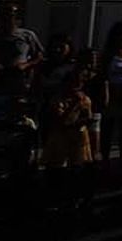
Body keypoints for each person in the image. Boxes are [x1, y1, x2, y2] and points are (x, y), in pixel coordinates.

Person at [42, 65, 96, 213]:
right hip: (60, 140)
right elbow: (61, 122)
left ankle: (73, 200)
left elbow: (88, 117)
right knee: (57, 171)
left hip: (78, 139)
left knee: (76, 171)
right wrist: (74, 105)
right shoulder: (58, 100)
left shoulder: (85, 99)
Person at [96, 22, 122, 168]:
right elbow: (102, 75)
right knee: (108, 126)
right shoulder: (108, 53)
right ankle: (105, 158)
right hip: (113, 92)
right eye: (121, 33)